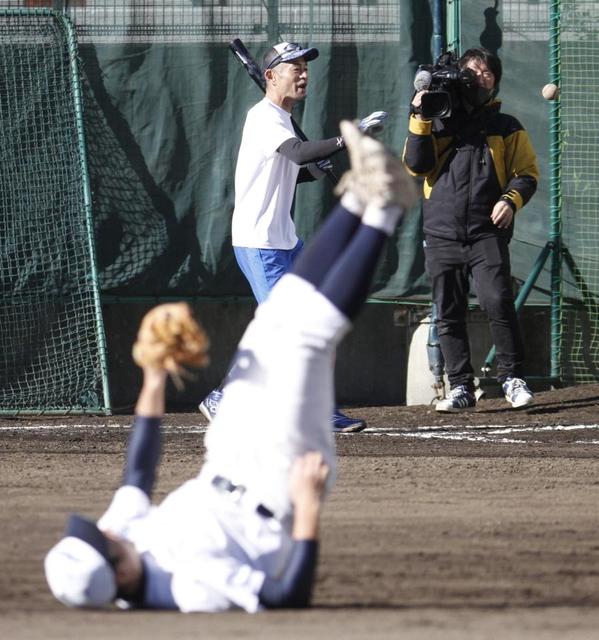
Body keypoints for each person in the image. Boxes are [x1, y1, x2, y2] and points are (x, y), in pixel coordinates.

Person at [44, 121, 419, 612]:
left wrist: (154, 381)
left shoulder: (127, 539)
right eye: (103, 541)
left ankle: (358, 197)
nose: (106, 530)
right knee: (307, 338)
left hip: (227, 452)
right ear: (118, 572)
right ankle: (387, 207)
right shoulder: (189, 588)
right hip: (281, 483)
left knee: (275, 318)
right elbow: (287, 597)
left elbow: (138, 472)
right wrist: (307, 507)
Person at [199, 41, 388, 433]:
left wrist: (317, 167)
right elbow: (299, 154)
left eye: (305, 67)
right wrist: (344, 141)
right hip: (259, 243)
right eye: (293, 67)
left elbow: (295, 168)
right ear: (270, 76)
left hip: (284, 240)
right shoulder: (263, 117)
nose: (303, 74)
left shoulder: (281, 121)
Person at [403, 47, 539, 412]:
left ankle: (512, 378)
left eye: (487, 73)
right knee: (447, 310)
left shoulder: (506, 125)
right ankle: (461, 386)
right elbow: (416, 166)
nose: (480, 77)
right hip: (442, 230)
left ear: (495, 82)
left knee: (497, 299)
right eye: (473, 71)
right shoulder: (438, 118)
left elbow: (526, 174)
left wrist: (510, 201)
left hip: (486, 230)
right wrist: (419, 115)